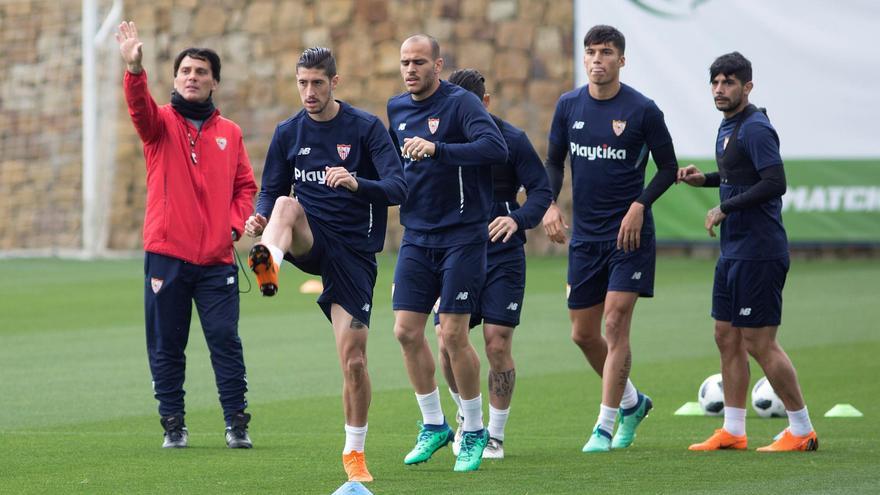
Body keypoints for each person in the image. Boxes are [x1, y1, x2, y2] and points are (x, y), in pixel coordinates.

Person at [245, 47, 407, 481]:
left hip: (353, 255)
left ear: (335, 82)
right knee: (282, 204)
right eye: (302, 83)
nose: (309, 92)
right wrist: (259, 216)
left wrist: (357, 183)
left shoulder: (366, 128)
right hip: (310, 239)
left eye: (317, 83)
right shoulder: (288, 133)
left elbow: (399, 187)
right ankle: (268, 265)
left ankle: (354, 453)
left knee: (353, 361)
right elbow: (270, 189)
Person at [115, 21, 257, 449]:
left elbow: (246, 188)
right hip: (167, 256)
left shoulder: (229, 133)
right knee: (166, 344)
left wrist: (232, 226)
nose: (191, 77)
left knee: (225, 341)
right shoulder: (159, 125)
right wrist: (135, 71)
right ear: (175, 79)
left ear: (214, 81)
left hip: (216, 261)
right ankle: (173, 425)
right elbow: (139, 108)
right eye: (184, 72)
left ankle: (237, 423)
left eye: (200, 72)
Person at [542, 25, 679, 453]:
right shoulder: (568, 106)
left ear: (622, 60)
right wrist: (548, 204)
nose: (597, 59)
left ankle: (604, 425)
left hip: (629, 237)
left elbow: (668, 168)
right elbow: (552, 162)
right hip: (586, 238)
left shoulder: (642, 110)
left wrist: (640, 205)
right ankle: (633, 402)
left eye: (606, 52)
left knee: (615, 323)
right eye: (591, 52)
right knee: (583, 335)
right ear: (583, 59)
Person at [680, 52, 818, 452]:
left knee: (760, 342)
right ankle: (734, 430)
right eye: (716, 83)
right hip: (734, 252)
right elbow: (736, 178)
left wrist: (725, 207)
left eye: (729, 83)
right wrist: (704, 180)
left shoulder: (756, 127)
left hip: (759, 251)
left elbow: (775, 182)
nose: (721, 90)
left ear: (747, 87)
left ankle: (802, 428)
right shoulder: (729, 127)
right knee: (726, 336)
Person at [386, 35, 508, 472]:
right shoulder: (396, 108)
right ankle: (435, 425)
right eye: (405, 62)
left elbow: (496, 148)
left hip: (462, 235)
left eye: (419, 61)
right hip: (417, 235)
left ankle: (474, 430)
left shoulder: (461, 105)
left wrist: (439, 150)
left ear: (438, 65)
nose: (411, 69)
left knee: (453, 334)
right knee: (404, 331)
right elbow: (394, 168)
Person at [434, 69, 552, 460]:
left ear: (484, 104)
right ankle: (470, 421)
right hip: (454, 251)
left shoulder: (512, 140)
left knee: (497, 342)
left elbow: (541, 191)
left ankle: (495, 436)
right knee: (446, 341)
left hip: (502, 253)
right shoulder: (437, 142)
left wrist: (517, 218)